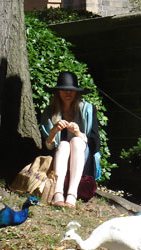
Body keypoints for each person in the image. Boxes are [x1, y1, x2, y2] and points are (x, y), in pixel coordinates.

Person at [41, 71, 100, 208]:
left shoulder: (87, 110)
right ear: (58, 92)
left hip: (82, 160)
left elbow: (95, 143)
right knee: (63, 144)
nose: (68, 93)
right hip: (59, 160)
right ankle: (58, 194)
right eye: (64, 90)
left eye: (71, 90)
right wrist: (54, 131)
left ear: (77, 92)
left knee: (76, 141)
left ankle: (72, 196)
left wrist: (79, 133)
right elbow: (47, 147)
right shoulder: (49, 112)